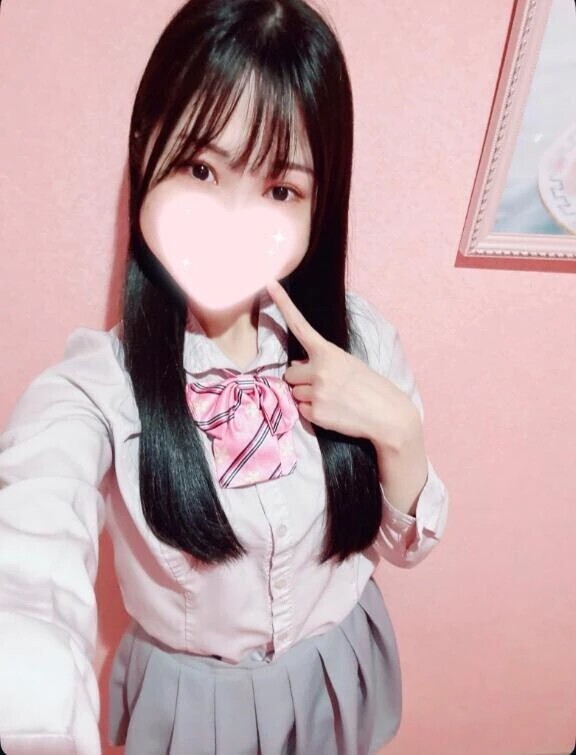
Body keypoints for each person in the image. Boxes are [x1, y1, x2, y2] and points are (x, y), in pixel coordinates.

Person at [0, 1, 449, 753]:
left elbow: (407, 548)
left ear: (318, 205)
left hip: (337, 667)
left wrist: (399, 429)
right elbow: (26, 560)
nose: (234, 221)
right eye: (202, 168)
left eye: (280, 190)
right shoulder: (95, 387)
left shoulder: (361, 339)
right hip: (193, 708)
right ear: (146, 151)